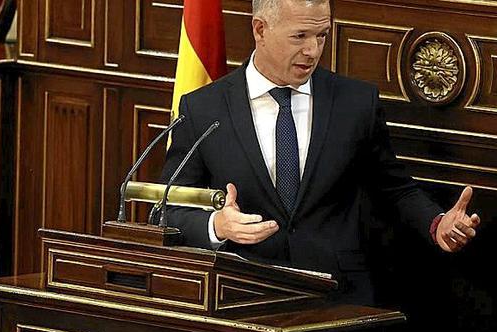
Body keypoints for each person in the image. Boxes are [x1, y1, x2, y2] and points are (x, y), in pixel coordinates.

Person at [160, 0, 480, 305]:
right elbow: (167, 209)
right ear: (260, 29)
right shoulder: (204, 108)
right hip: (240, 296)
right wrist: (217, 225)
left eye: (321, 35)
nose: (312, 50)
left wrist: (437, 223)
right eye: (299, 36)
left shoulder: (355, 102)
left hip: (337, 299)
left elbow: (396, 190)